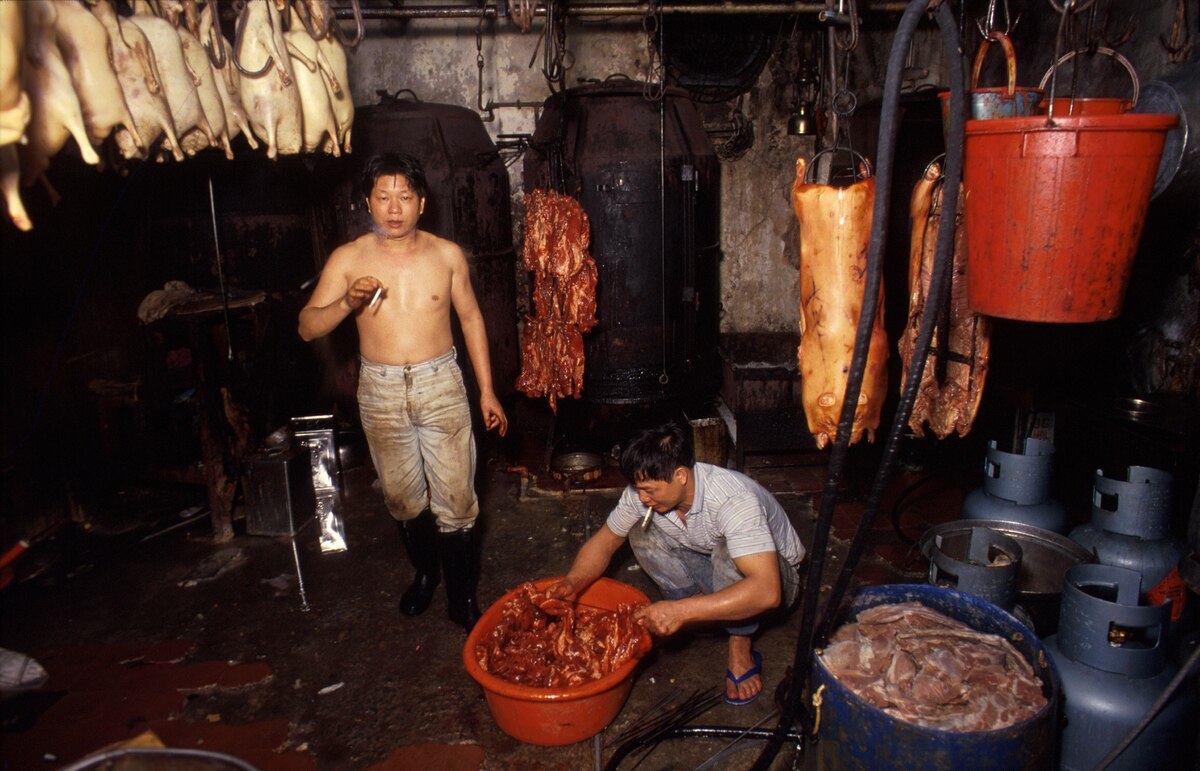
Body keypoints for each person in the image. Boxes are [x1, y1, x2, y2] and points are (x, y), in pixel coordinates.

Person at [299, 153, 508, 632]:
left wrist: (487, 391)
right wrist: (346, 302)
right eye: (383, 197)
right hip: (380, 390)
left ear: (422, 203)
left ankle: (461, 596)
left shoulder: (447, 255)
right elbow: (308, 326)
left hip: (442, 383)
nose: (394, 209)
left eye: (405, 197)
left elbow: (472, 318)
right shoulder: (348, 258)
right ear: (367, 202)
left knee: (457, 499)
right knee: (402, 498)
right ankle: (426, 573)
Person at [548, 422, 805, 705]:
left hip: (775, 581)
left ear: (681, 475)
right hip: (711, 563)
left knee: (728, 553)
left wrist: (681, 611)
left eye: (649, 490)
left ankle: (739, 642)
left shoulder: (734, 500)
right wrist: (573, 581)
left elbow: (768, 592)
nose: (642, 497)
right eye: (638, 489)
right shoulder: (644, 491)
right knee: (641, 533)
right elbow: (606, 541)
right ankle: (695, 610)